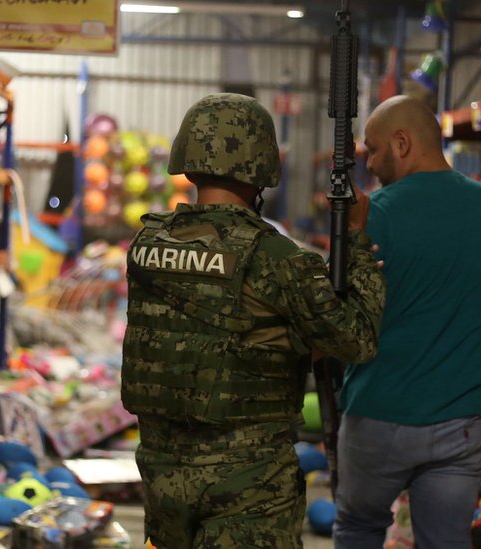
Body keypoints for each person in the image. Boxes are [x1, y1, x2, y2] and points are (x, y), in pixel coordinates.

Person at [121, 93, 385, 549]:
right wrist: (357, 243)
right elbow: (355, 340)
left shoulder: (146, 245)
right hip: (249, 488)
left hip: (164, 480)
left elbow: (207, 328)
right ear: (261, 165)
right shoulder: (275, 258)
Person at [334, 95, 481, 548]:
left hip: (380, 411)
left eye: (374, 150)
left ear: (402, 143)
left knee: (360, 527)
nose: (372, 163)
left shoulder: (373, 215)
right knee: (446, 541)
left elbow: (337, 318)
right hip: (462, 419)